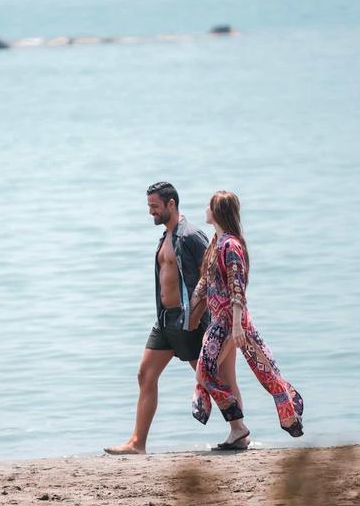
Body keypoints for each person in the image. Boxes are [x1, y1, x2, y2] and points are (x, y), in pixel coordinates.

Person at [105, 182, 234, 455]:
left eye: (155, 206)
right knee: (145, 374)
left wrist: (213, 317)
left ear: (171, 204)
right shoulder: (166, 236)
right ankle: (137, 443)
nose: (151, 212)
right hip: (164, 321)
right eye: (149, 206)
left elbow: (212, 273)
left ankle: (239, 429)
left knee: (209, 378)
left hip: (188, 321)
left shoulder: (190, 236)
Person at [190, 190, 304, 448]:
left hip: (230, 322)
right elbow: (205, 282)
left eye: (208, 205)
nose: (204, 209)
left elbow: (237, 289)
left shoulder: (231, 245)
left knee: (206, 373)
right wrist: (192, 312)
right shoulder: (215, 243)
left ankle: (239, 427)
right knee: (224, 375)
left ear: (217, 211)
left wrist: (238, 324)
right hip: (219, 321)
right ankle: (239, 434)